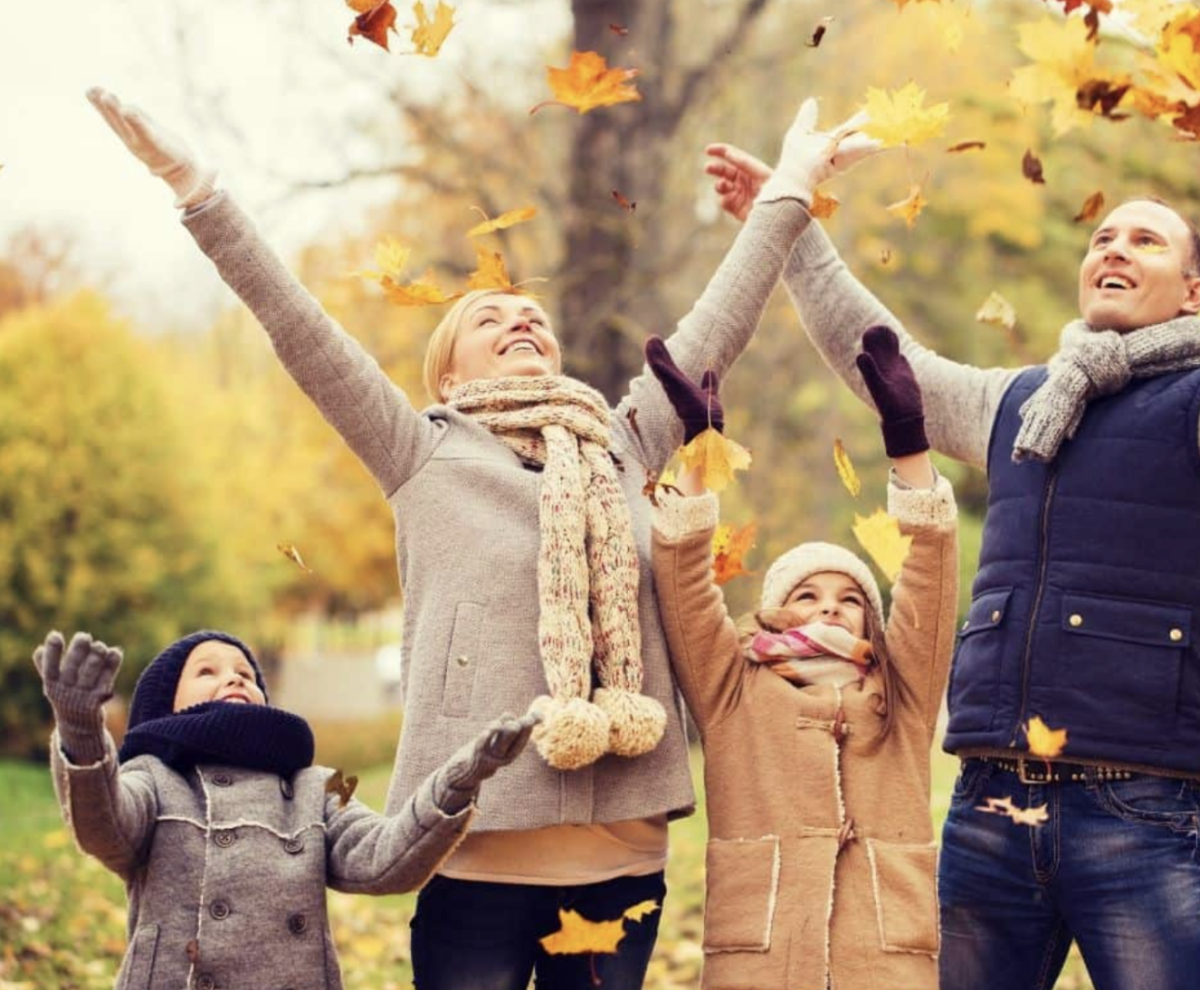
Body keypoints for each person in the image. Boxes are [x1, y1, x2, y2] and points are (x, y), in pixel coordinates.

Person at [84, 87, 880, 988]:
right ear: (447, 371)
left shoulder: (619, 442)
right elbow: (299, 327)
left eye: (531, 316)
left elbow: (715, 331)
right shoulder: (419, 452)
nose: (521, 322)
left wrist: (794, 186)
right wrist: (198, 188)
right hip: (473, 848)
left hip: (621, 856)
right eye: (488, 321)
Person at [705, 132, 1200, 988]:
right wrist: (789, 226)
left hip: (1146, 807)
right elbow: (889, 366)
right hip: (990, 806)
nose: (1113, 247)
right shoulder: (1019, 403)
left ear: (1193, 294)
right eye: (1102, 238)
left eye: (1146, 240)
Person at [645, 325, 958, 990]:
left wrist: (909, 446)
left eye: (850, 598)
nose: (830, 606)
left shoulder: (899, 693)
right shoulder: (734, 687)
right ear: (776, 610)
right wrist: (702, 456)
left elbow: (929, 579)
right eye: (808, 594)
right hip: (763, 951)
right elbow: (683, 582)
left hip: (882, 954)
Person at [34, 627, 536, 990]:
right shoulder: (152, 779)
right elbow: (104, 827)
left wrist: (458, 781)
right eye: (206, 671)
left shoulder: (317, 785)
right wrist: (81, 731)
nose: (233, 679)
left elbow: (385, 859)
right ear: (164, 705)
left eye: (245, 673)